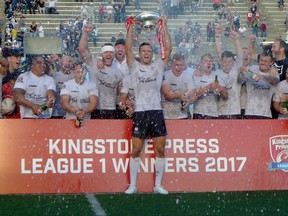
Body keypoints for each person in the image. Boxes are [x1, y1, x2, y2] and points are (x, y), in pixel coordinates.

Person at [124, 15, 172, 195]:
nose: (146, 53)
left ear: (152, 54)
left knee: (160, 148)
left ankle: (158, 185)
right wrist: (130, 27)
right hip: (140, 112)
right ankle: (133, 185)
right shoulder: (134, 66)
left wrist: (164, 26)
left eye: (149, 51)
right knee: (136, 149)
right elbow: (128, 49)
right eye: (143, 50)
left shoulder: (159, 65)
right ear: (140, 53)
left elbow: (168, 48)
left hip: (156, 111)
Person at [79, 24, 123, 119]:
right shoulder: (94, 64)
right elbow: (82, 50)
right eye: (106, 52)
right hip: (95, 107)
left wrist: (122, 103)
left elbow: (120, 93)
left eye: (111, 52)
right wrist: (85, 33)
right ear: (101, 54)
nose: (108, 54)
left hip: (112, 109)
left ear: (114, 54)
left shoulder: (118, 72)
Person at [238, 53, 279, 119]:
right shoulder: (252, 68)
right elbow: (239, 80)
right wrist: (241, 73)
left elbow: (276, 80)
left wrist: (263, 77)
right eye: (261, 60)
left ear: (271, 63)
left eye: (265, 61)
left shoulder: (273, 72)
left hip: (265, 114)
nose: (262, 63)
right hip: (250, 112)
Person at [215, 26, 244, 119]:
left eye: (230, 62)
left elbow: (240, 55)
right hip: (220, 111)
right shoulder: (217, 73)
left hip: (235, 111)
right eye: (225, 62)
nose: (227, 64)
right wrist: (217, 35)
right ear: (221, 62)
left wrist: (236, 40)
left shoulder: (236, 69)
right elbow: (219, 51)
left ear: (233, 62)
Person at [161, 53, 197, 119]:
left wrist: (188, 103)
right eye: (176, 65)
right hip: (166, 116)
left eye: (181, 65)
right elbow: (167, 95)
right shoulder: (166, 75)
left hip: (182, 115)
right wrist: (180, 95)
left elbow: (193, 95)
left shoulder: (188, 76)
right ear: (172, 65)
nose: (179, 67)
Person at [192, 53, 228, 119]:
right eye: (206, 61)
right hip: (199, 113)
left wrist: (222, 90)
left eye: (210, 61)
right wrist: (209, 87)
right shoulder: (197, 76)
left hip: (214, 113)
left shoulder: (217, 76)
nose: (208, 63)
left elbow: (225, 97)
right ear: (201, 63)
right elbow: (196, 94)